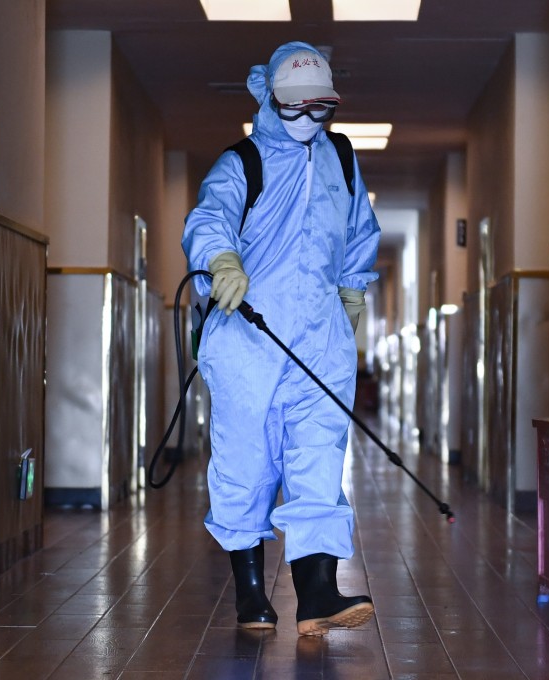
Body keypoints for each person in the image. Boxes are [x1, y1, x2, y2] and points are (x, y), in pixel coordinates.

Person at [182, 41, 381, 636]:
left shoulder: (342, 160)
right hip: (248, 337)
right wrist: (221, 260)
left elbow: (357, 230)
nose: (307, 123)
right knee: (246, 464)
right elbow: (209, 217)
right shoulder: (241, 162)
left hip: (319, 340)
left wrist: (352, 293)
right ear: (269, 98)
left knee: (319, 459)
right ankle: (249, 592)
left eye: (320, 110)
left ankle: (317, 592)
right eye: (295, 109)